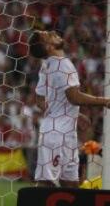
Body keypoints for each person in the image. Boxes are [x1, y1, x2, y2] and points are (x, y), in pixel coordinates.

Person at [29, 30, 110, 188]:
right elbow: (74, 97)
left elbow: (39, 99)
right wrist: (105, 101)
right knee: (46, 183)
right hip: (56, 136)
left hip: (66, 134)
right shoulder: (63, 65)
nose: (53, 32)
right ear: (48, 46)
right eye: (48, 35)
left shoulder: (47, 65)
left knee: (71, 184)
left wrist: (70, 114)